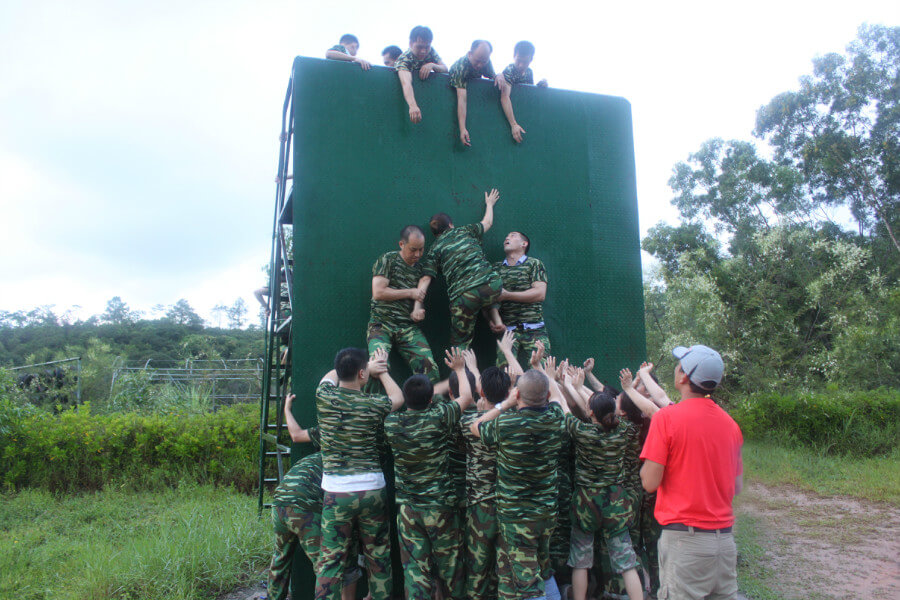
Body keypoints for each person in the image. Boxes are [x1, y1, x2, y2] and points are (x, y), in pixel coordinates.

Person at [640, 345, 743, 600]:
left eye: (679, 365)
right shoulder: (730, 425)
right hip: (724, 543)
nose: (676, 368)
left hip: (685, 543)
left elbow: (650, 482)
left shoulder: (666, 419)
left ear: (684, 376)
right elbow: (737, 486)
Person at [382, 348, 474, 599]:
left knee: (414, 570)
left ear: (405, 398)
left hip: (408, 509)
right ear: (432, 399)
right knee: (452, 569)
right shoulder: (439, 417)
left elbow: (392, 402)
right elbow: (466, 397)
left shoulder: (392, 424)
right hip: (440, 506)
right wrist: (459, 369)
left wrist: (381, 373)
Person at [314, 348, 404, 600]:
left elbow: (327, 378)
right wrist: (381, 370)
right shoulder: (372, 404)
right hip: (372, 490)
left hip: (336, 493)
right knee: (378, 556)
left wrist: (364, 367)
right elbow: (398, 398)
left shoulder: (324, 396)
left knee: (331, 559)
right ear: (362, 374)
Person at [470, 366, 566, 600]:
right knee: (543, 570)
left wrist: (505, 404)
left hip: (517, 517)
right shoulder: (556, 419)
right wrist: (546, 376)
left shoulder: (506, 424)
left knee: (528, 584)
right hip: (546, 513)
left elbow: (476, 426)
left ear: (518, 395)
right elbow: (557, 399)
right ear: (546, 395)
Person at [557, 370, 644, 600]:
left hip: (586, 505)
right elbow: (606, 410)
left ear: (591, 412)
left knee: (580, 562)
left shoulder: (582, 432)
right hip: (616, 503)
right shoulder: (624, 430)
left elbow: (562, 406)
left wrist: (565, 383)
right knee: (627, 563)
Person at [268, 394, 361, 600]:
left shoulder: (326, 433)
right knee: (327, 567)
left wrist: (286, 409)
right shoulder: (348, 457)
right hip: (305, 507)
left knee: (280, 560)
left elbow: (296, 435)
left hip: (280, 502)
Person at [415, 189, 503, 348]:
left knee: (460, 343)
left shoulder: (434, 250)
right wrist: (489, 204)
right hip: (492, 285)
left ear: (434, 234)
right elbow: (487, 222)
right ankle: (494, 316)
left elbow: (425, 278)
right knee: (487, 292)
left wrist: (417, 305)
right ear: (451, 225)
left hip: (464, 297)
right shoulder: (465, 230)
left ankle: (460, 361)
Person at [459, 359, 511, 599]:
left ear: (481, 393)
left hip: (480, 506)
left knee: (477, 571)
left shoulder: (467, 423)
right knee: (508, 570)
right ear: (509, 393)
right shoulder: (513, 422)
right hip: (510, 506)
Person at [367, 225, 439, 381]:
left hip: (407, 327)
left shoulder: (420, 270)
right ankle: (372, 398)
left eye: (421, 250)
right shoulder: (388, 260)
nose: (417, 254)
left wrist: (418, 310)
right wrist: (410, 292)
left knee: (428, 365)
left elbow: (419, 296)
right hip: (381, 324)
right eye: (413, 250)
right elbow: (378, 292)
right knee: (377, 365)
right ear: (401, 244)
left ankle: (433, 397)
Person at [488, 231, 549, 367]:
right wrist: (491, 320)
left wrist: (507, 295)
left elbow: (540, 294)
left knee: (541, 372)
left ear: (524, 244)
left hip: (535, 329)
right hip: (507, 331)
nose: (507, 237)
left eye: (513, 235)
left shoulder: (534, 264)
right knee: (504, 373)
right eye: (506, 236)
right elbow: (489, 300)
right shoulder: (495, 268)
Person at [496, 41, 548, 143]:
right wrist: (513, 124)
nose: (521, 65)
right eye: (518, 61)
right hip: (510, 116)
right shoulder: (510, 70)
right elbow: (505, 97)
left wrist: (542, 84)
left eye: (525, 62)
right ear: (514, 56)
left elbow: (528, 93)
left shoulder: (529, 72)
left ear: (531, 60)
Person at [394, 26, 448, 123]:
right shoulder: (404, 59)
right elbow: (406, 83)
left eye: (427, 47)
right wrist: (413, 106)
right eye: (419, 47)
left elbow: (445, 69)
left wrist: (432, 65)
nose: (423, 51)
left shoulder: (431, 51)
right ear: (411, 44)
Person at [449, 40, 496, 146]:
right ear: (470, 54)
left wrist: (499, 76)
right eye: (477, 61)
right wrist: (463, 129)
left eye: (484, 62)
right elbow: (462, 99)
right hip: (461, 90)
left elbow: (493, 76)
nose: (480, 65)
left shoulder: (486, 61)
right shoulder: (461, 67)